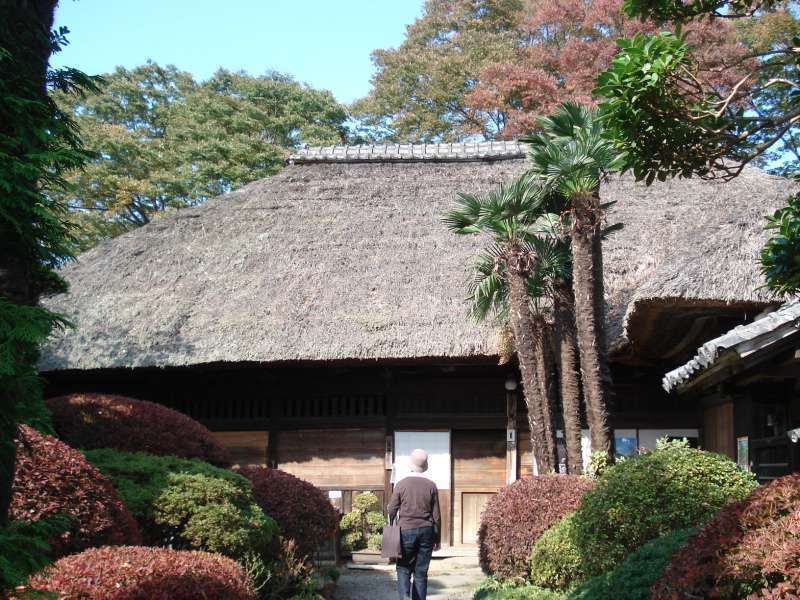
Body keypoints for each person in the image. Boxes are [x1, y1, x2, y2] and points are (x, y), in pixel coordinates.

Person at [387, 448, 441, 600]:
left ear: (411, 464)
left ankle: (405, 597)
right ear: (424, 466)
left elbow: (391, 509)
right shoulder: (431, 485)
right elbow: (436, 515)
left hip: (405, 531)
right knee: (421, 572)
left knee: (403, 568)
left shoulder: (401, 484)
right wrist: (437, 538)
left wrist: (391, 525)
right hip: (426, 531)